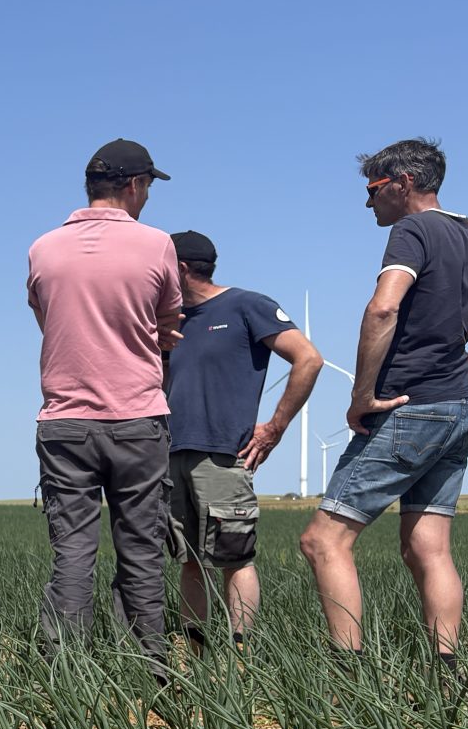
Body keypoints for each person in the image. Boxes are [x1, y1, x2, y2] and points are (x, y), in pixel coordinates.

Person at [299, 137, 468, 663]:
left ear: (404, 183)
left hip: (409, 407)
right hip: (461, 406)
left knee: (323, 540)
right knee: (427, 549)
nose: (369, 203)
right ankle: (446, 677)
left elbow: (382, 310)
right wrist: (464, 363)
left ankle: (348, 676)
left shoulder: (414, 230)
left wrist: (362, 394)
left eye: (374, 189)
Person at [27, 139, 182, 673]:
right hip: (137, 417)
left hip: (64, 421)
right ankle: (148, 671)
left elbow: (46, 317)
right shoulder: (158, 245)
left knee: (72, 551)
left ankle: (64, 669)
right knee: (141, 549)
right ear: (136, 186)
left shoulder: (42, 248)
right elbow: (167, 325)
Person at [164, 230, 322, 652]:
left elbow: (309, 358)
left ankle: (241, 657)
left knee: (234, 557)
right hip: (172, 454)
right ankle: (196, 655)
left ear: (179, 267)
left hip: (223, 456)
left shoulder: (247, 305)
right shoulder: (171, 321)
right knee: (189, 561)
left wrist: (275, 426)